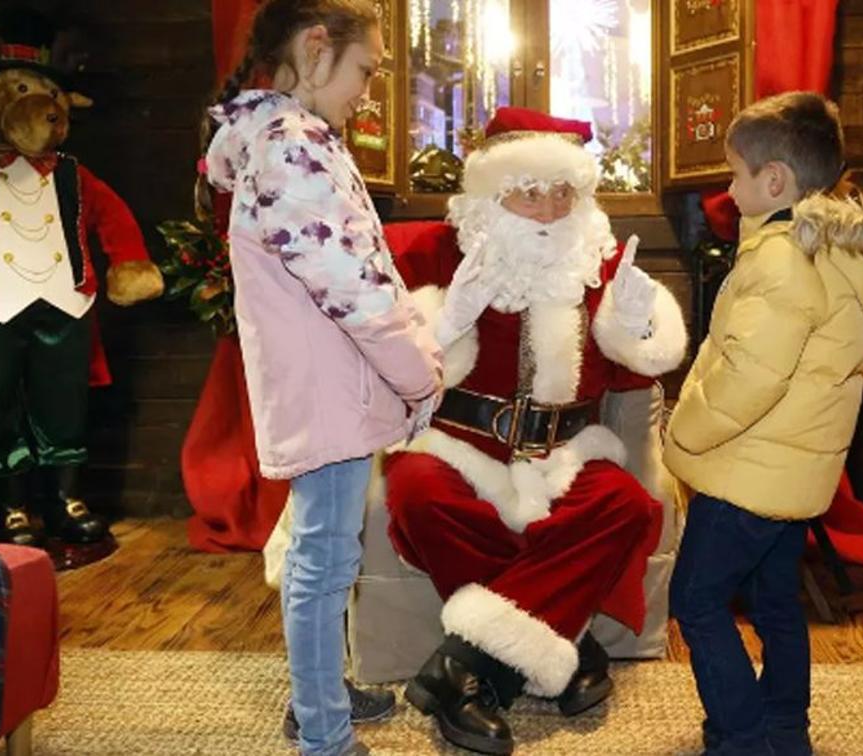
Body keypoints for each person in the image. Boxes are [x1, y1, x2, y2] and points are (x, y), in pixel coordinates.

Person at [383, 107, 688, 754]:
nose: (549, 209)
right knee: (416, 490)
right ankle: (566, 647)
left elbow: (647, 361)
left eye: (563, 192)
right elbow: (388, 362)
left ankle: (465, 668)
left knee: (628, 504)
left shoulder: (600, 265)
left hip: (566, 455)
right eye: (529, 192)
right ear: (493, 195)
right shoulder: (433, 253)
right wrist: (442, 322)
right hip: (459, 445)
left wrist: (637, 327)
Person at [203, 2, 443, 755]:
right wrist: (421, 375)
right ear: (315, 50)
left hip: (333, 381)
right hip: (331, 386)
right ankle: (324, 736)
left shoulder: (291, 141)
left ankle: (322, 698)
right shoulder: (292, 148)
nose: (367, 91)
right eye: (365, 71)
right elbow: (357, 291)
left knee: (327, 552)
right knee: (323, 559)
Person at [664, 91, 863, 756]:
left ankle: (743, 739)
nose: (728, 186)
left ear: (773, 180)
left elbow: (752, 376)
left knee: (696, 600)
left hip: (748, 472)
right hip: (798, 474)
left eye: (734, 173)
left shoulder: (781, 260)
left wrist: (683, 430)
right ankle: (785, 729)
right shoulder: (842, 256)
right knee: (777, 602)